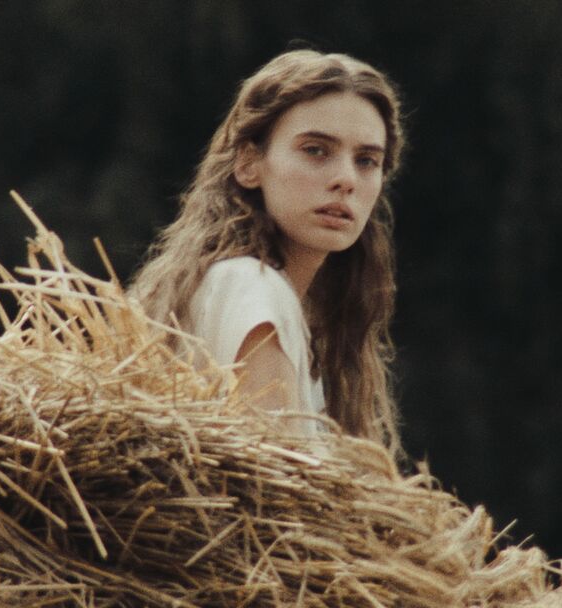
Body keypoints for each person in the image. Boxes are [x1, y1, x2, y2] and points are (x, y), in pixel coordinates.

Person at [130, 49, 405, 456]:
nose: (346, 179)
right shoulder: (253, 289)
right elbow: (273, 505)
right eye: (316, 150)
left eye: (366, 160)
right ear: (248, 163)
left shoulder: (239, 287)